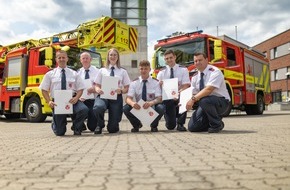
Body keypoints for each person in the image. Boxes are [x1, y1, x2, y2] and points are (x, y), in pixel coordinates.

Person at [39, 50, 89, 136]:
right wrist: (49, 101)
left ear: (67, 59)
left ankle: (76, 127)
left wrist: (76, 98)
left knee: (84, 110)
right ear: (56, 60)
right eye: (59, 58)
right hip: (57, 102)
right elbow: (44, 89)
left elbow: (81, 88)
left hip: (72, 100)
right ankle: (56, 123)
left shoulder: (74, 73)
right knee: (60, 132)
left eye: (63, 57)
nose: (61, 59)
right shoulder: (50, 74)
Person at [186, 52, 231, 133]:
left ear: (207, 60)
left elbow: (209, 89)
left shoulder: (215, 71)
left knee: (205, 100)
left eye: (200, 60)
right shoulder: (195, 76)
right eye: (195, 61)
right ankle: (215, 122)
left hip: (221, 102)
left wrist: (192, 100)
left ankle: (216, 125)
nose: (198, 62)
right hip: (205, 104)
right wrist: (184, 101)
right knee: (192, 127)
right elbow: (194, 93)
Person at [93, 48, 130, 134]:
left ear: (118, 57)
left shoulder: (123, 71)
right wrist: (97, 89)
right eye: (111, 55)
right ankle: (100, 124)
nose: (113, 57)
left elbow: (127, 87)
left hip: (116, 98)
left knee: (113, 129)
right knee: (98, 107)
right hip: (103, 96)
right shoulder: (102, 70)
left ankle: (113, 124)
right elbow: (96, 85)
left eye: (115, 55)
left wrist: (121, 90)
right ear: (108, 57)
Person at [123, 60, 164, 132]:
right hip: (139, 108)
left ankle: (154, 125)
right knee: (126, 108)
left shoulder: (155, 82)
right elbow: (128, 99)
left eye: (146, 69)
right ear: (139, 69)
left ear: (150, 70)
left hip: (152, 106)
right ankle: (137, 125)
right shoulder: (134, 83)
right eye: (141, 69)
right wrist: (133, 103)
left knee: (161, 107)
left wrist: (150, 103)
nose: (143, 71)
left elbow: (159, 98)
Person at [157, 49, 191, 131]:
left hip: (180, 94)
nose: (169, 60)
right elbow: (157, 88)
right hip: (168, 99)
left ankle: (180, 123)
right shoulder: (161, 72)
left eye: (170, 57)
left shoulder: (183, 70)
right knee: (170, 127)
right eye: (166, 59)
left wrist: (177, 94)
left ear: (175, 57)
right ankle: (170, 120)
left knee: (185, 95)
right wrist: (160, 85)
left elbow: (186, 85)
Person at [77, 52, 99, 132]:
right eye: (83, 58)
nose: (85, 60)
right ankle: (79, 124)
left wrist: (95, 88)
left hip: (94, 99)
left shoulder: (97, 71)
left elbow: (102, 84)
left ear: (91, 59)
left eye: (87, 58)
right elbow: (75, 87)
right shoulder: (78, 73)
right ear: (80, 60)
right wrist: (78, 97)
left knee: (92, 127)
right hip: (82, 100)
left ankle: (97, 122)